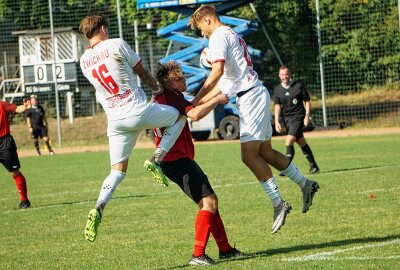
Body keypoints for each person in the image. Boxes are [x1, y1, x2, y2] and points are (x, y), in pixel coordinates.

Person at [189, 5, 320, 234]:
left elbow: (217, 72)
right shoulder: (231, 34)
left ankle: (278, 203)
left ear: (207, 20)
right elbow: (224, 81)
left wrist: (196, 98)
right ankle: (305, 184)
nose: (202, 34)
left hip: (251, 98)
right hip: (253, 95)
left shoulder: (218, 36)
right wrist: (197, 102)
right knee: (265, 153)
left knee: (249, 156)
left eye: (201, 28)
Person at [79, 13, 186, 242]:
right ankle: (157, 157)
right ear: (103, 29)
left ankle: (99, 206)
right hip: (136, 111)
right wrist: (158, 90)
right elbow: (142, 72)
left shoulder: (83, 60)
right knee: (179, 117)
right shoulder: (116, 44)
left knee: (117, 171)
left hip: (116, 121)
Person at [154, 61, 248, 265]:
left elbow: (191, 106)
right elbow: (194, 114)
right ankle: (198, 255)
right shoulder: (171, 97)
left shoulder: (165, 98)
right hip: (177, 160)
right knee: (209, 202)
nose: (184, 79)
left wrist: (213, 93)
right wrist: (216, 100)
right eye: (179, 78)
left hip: (175, 159)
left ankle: (225, 249)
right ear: (169, 83)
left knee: (210, 203)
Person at [273, 66, 319, 173]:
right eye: (283, 75)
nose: (285, 77)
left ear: (290, 74)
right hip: (287, 120)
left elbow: (307, 101)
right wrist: (277, 121)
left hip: (298, 117)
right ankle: (314, 166)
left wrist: (307, 116)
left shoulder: (298, 86)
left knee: (289, 141)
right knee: (301, 142)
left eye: (287, 74)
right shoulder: (277, 90)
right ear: (279, 76)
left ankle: (286, 168)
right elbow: (277, 106)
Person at [0, 99, 32, 209]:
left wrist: (25, 107)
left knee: (14, 172)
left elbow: (16, 108)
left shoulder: (2, 105)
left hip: (4, 143)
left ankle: (24, 200)